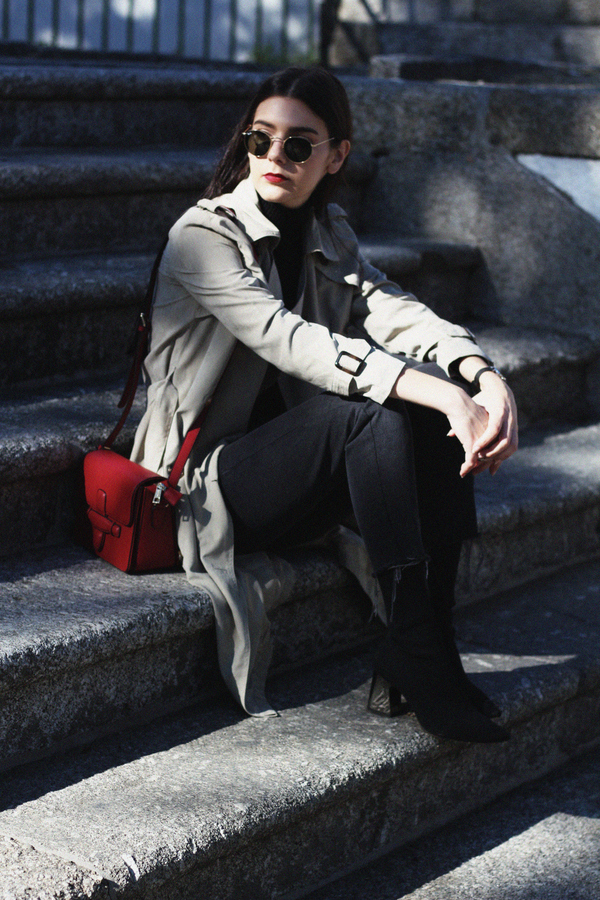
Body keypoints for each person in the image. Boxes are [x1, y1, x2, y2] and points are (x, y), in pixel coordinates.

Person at [131, 66, 518, 743]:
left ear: (336, 155)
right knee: (375, 405)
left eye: (299, 144)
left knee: (421, 402)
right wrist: (438, 389)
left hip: (296, 477)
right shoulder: (203, 236)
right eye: (261, 139)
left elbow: (394, 310)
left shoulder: (327, 231)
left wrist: (480, 376)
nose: (275, 157)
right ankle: (417, 645)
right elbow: (290, 340)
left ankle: (430, 637)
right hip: (203, 489)